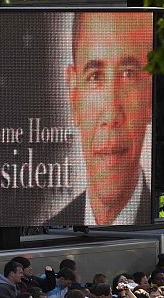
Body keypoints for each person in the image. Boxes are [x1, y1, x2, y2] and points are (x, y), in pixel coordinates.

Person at [52, 12, 153, 226]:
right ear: (73, 94)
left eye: (129, 74)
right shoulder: (55, 224)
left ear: (151, 94)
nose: (111, 116)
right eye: (95, 76)